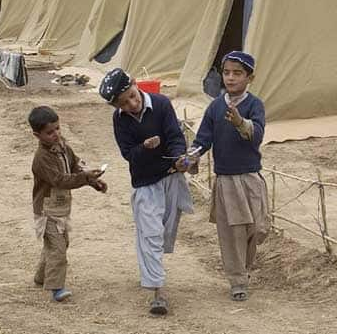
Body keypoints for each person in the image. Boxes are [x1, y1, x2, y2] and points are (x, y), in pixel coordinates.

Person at [100, 68, 193, 315]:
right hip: (145, 183)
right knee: (150, 234)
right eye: (124, 103)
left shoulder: (161, 104)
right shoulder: (120, 120)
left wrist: (179, 158)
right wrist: (144, 146)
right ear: (116, 107)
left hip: (171, 178)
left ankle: (152, 271)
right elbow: (128, 154)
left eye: (132, 95)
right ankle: (157, 292)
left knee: (164, 232)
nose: (132, 103)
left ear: (135, 84)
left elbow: (175, 136)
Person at [178, 51, 268, 302]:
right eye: (227, 72)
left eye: (237, 73)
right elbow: (203, 139)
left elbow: (257, 135)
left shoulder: (254, 105)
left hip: (250, 177)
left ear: (250, 77)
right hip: (226, 180)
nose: (230, 78)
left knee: (257, 229)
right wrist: (191, 157)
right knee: (232, 233)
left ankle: (245, 268)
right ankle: (237, 280)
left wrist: (241, 122)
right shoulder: (215, 107)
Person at [29, 106, 107, 302]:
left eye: (57, 129)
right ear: (37, 135)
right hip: (47, 210)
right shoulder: (42, 158)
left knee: (60, 244)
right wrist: (84, 177)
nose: (55, 134)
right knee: (57, 248)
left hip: (61, 207)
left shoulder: (63, 147)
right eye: (49, 132)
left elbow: (75, 165)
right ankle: (56, 288)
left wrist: (93, 181)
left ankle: (41, 277)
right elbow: (60, 180)